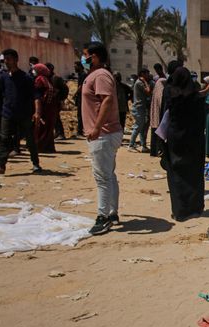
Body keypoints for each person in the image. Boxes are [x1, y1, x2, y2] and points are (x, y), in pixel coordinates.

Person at [80, 41, 123, 235]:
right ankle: (112, 212)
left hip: (104, 133)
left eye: (86, 55)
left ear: (94, 56)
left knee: (102, 177)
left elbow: (106, 99)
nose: (83, 59)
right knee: (109, 174)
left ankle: (103, 216)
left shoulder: (100, 76)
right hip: (105, 132)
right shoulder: (97, 75)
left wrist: (97, 127)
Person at [161, 67, 206, 221]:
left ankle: (180, 210)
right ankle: (195, 208)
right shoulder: (197, 97)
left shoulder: (171, 96)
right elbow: (202, 121)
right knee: (194, 174)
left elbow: (165, 118)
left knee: (177, 173)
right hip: (194, 140)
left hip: (176, 139)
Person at [0, 49, 41, 174]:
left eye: (9, 59)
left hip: (24, 114)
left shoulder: (26, 78)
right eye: (5, 59)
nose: (6, 62)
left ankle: (36, 163)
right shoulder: (3, 77)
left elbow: (36, 96)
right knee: (4, 138)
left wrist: (37, 112)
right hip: (7, 113)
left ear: (16, 60)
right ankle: (1, 165)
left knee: (30, 139)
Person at [32, 63, 58, 154]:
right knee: (48, 128)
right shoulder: (47, 79)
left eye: (35, 69)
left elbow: (38, 95)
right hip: (50, 108)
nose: (33, 71)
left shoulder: (39, 79)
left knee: (41, 127)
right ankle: (49, 147)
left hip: (43, 107)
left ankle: (40, 147)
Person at [128, 68, 152, 152]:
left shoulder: (140, 82)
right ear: (142, 74)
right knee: (138, 127)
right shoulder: (139, 83)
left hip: (141, 108)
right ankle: (131, 145)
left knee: (142, 128)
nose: (148, 75)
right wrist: (145, 82)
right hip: (138, 108)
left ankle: (143, 146)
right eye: (147, 74)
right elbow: (148, 91)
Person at [49, 63, 69, 140]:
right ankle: (58, 133)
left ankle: (60, 133)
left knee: (56, 117)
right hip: (55, 100)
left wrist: (61, 99)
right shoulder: (52, 77)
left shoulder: (55, 78)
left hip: (56, 101)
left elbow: (57, 90)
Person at [149, 73, 167, 157]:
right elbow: (161, 102)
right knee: (159, 135)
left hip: (155, 116)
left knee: (154, 134)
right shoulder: (160, 90)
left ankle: (154, 152)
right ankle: (158, 151)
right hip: (159, 116)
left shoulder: (156, 89)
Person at [74, 61, 87, 137]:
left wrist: (75, 94)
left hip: (82, 97)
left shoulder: (83, 75)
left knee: (80, 114)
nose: (74, 68)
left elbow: (81, 86)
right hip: (80, 97)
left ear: (79, 66)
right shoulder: (80, 74)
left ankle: (80, 131)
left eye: (75, 66)